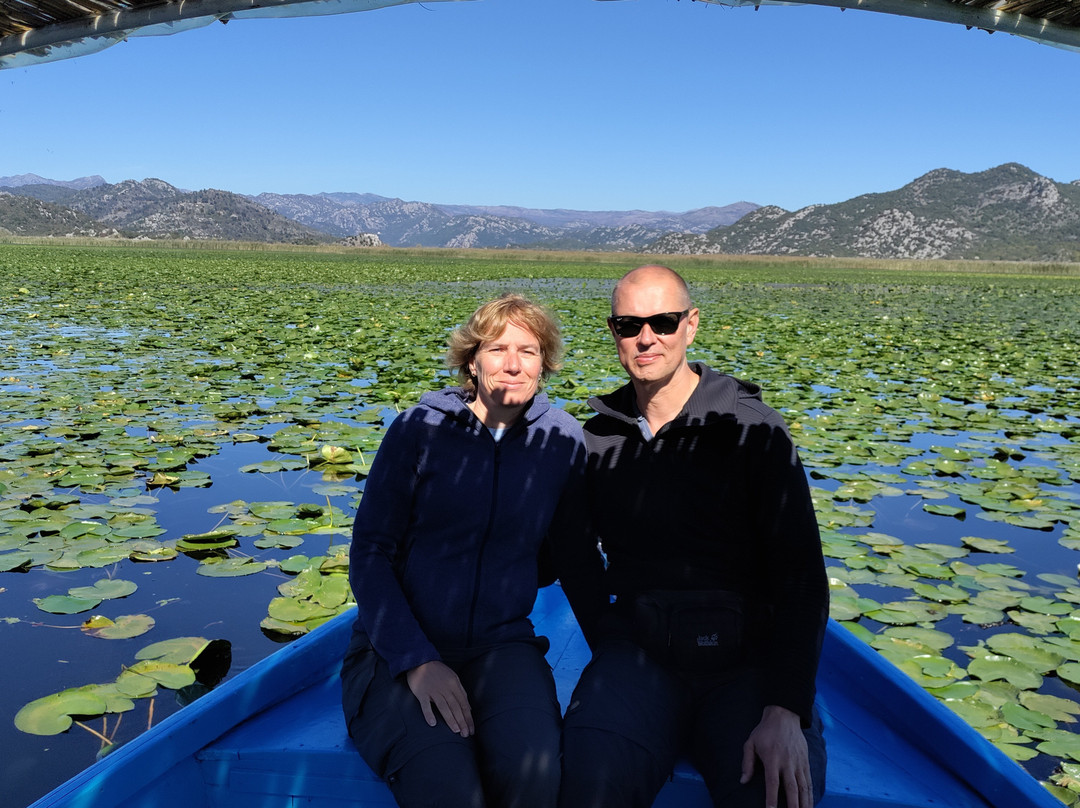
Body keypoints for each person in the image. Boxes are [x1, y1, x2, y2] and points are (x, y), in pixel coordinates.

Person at [559, 265, 829, 808]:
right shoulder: (596, 438)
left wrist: (784, 710)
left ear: (691, 325)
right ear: (613, 332)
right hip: (638, 658)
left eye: (662, 320)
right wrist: (609, 640)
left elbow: (802, 576)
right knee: (584, 788)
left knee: (774, 795)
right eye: (628, 324)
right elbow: (572, 553)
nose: (646, 337)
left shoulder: (752, 430)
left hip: (746, 665)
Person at [341, 293, 584, 808]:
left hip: (503, 647)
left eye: (529, 350)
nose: (513, 364)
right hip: (400, 649)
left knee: (535, 778)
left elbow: (567, 555)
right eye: (498, 349)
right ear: (472, 360)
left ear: (545, 362)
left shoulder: (562, 441)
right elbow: (370, 552)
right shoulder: (419, 429)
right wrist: (416, 660)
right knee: (448, 789)